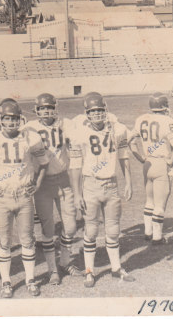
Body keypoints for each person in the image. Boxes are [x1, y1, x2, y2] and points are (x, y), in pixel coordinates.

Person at [0, 100, 49, 298]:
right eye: (7, 119)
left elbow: (44, 163)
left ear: (20, 119)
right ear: (0, 120)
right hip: (3, 198)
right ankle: (6, 281)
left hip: (24, 195)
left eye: (15, 119)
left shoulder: (30, 138)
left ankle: (30, 279)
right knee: (4, 241)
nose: (11, 122)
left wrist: (38, 184)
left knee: (27, 239)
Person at [68, 92, 134, 288]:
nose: (97, 114)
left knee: (113, 229)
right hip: (91, 185)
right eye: (93, 111)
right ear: (87, 113)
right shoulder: (79, 133)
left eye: (99, 110)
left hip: (111, 184)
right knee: (91, 230)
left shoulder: (117, 129)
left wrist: (128, 182)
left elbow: (124, 157)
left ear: (105, 110)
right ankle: (89, 270)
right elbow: (75, 166)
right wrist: (77, 193)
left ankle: (116, 268)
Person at [22, 93, 84, 285]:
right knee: (48, 229)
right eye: (42, 108)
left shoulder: (66, 124)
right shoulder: (28, 128)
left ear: (55, 108)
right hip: (42, 183)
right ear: (37, 110)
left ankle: (65, 262)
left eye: (49, 107)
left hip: (63, 180)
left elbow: (76, 146)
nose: (46, 111)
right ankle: (52, 270)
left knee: (71, 226)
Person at [131, 92, 173, 245]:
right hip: (160, 163)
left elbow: (131, 141)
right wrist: (171, 161)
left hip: (148, 164)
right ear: (165, 106)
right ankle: (157, 237)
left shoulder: (141, 120)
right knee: (160, 203)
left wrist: (140, 158)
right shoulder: (169, 121)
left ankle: (148, 231)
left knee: (149, 200)